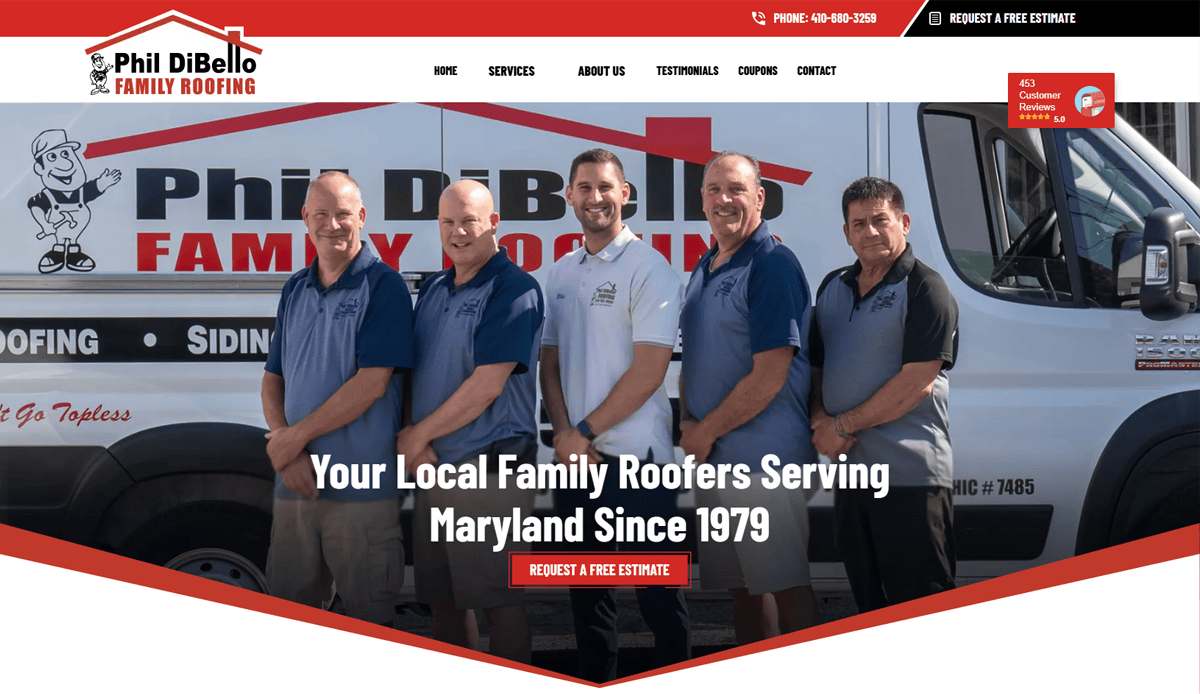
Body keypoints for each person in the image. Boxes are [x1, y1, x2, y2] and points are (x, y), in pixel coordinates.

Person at [539, 148, 690, 682]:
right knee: (589, 599)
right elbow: (549, 364)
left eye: (606, 187)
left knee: (657, 598)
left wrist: (583, 431)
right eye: (584, 187)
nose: (595, 197)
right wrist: (563, 434)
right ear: (569, 197)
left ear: (625, 194)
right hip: (578, 461)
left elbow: (649, 372)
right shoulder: (559, 271)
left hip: (638, 461)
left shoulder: (649, 268)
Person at [397, 180, 544, 663]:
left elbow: (488, 384)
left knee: (498, 601)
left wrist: (417, 435)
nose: (458, 232)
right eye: (447, 222)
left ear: (494, 224)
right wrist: (414, 440)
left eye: (469, 221)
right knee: (442, 601)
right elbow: (416, 373)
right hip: (435, 467)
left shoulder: (514, 288)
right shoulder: (436, 289)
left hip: (489, 471)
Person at [679, 151, 820, 643]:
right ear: (702, 200)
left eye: (736, 188)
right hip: (718, 457)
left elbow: (769, 375)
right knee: (742, 588)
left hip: (763, 458)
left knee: (785, 586)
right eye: (714, 190)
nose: (724, 199)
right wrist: (689, 428)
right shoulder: (708, 263)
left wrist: (702, 432)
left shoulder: (772, 264)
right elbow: (695, 356)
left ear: (760, 197)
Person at [261, 171, 413, 626]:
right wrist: (287, 452)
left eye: (343, 214)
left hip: (361, 491)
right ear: (305, 218)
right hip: (296, 488)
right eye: (321, 214)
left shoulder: (384, 286)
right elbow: (273, 379)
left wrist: (291, 441)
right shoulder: (295, 288)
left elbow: (373, 384)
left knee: (370, 624)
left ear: (361, 217)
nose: (332, 224)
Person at [810, 176, 959, 612]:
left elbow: (918, 382)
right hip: (852, 480)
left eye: (880, 220)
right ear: (846, 233)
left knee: (919, 605)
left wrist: (840, 425)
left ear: (904, 222)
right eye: (858, 224)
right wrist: (819, 418)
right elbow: (818, 367)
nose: (869, 232)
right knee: (869, 605)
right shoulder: (832, 288)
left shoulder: (926, 289)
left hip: (911, 478)